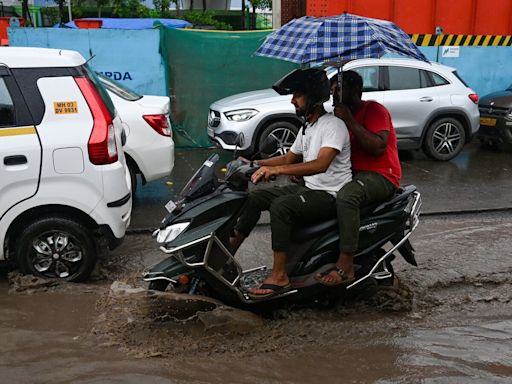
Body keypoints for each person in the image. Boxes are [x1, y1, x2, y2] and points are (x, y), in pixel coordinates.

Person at [229, 68, 352, 300]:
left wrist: (275, 170)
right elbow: (288, 158)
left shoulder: (333, 126)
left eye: (298, 95)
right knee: (254, 198)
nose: (293, 100)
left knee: (281, 207)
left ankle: (279, 276)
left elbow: (321, 164)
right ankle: (226, 256)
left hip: (329, 194)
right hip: (309, 189)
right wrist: (254, 163)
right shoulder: (309, 126)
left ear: (314, 97)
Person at [316, 70, 402, 286]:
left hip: (381, 175)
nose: (334, 95)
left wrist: (350, 120)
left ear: (356, 92)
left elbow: (378, 147)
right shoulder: (335, 118)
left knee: (347, 197)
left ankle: (346, 263)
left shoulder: (373, 110)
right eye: (332, 91)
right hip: (352, 173)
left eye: (339, 90)